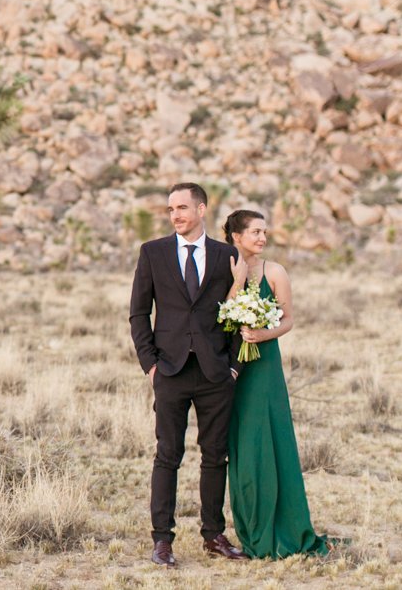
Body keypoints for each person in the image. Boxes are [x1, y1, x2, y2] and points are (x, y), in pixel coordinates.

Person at [129, 183, 250, 568]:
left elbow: (239, 309)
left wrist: (233, 365)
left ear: (201, 209)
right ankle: (162, 541)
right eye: (170, 209)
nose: (175, 214)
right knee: (168, 456)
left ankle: (213, 535)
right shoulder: (153, 253)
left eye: (182, 207)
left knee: (216, 457)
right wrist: (150, 363)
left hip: (216, 372)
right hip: (170, 370)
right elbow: (138, 312)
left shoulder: (226, 254)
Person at [223, 209, 331, 558]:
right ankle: (251, 527)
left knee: (271, 439)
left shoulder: (276, 272)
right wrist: (237, 281)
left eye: (264, 232)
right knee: (243, 444)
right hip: (232, 368)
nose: (262, 238)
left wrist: (262, 333)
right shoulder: (223, 268)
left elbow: (288, 319)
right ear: (236, 237)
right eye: (255, 232)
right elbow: (221, 314)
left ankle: (284, 527)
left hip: (265, 366)